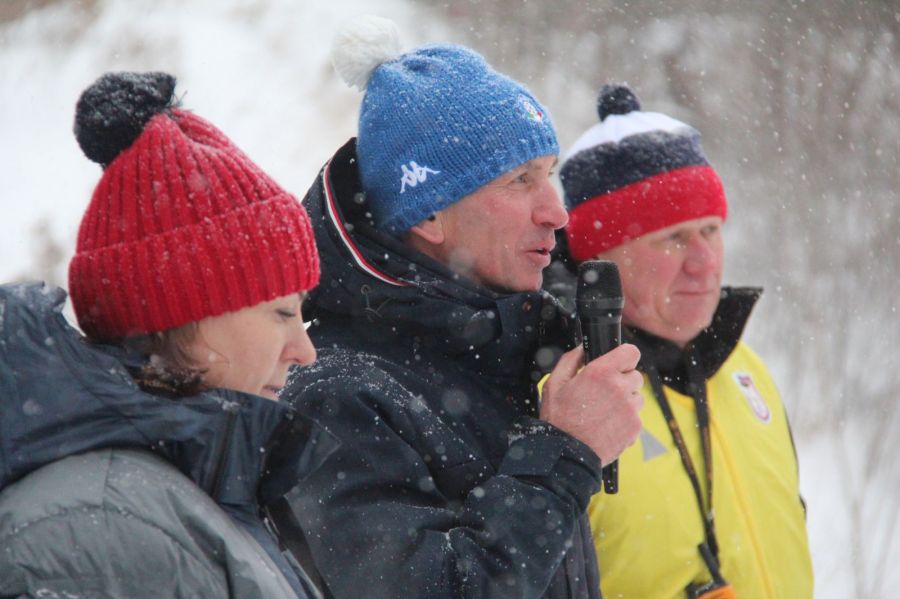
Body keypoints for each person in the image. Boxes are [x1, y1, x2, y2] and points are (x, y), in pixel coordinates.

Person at [279, 17, 643, 599]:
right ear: (426, 213)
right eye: (520, 180)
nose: (556, 211)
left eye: (549, 175)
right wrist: (564, 454)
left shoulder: (513, 352)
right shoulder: (336, 395)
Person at [0, 71, 332, 598]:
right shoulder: (107, 530)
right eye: (280, 313)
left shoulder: (194, 498)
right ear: (179, 317)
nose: (305, 352)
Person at [552, 84, 814, 598]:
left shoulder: (746, 370)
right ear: (602, 261)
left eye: (711, 231)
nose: (704, 262)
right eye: (672, 238)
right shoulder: (566, 394)